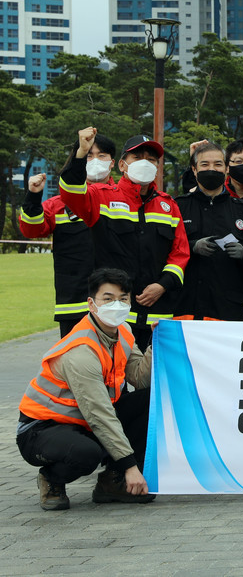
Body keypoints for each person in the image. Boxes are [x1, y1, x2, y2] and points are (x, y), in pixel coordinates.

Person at [17, 268, 154, 510]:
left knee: (152, 400)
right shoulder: (81, 351)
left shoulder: (122, 331)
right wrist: (131, 467)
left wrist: (156, 346)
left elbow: (139, 380)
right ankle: (51, 478)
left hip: (84, 421)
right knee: (85, 454)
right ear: (92, 304)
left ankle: (112, 482)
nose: (117, 305)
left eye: (123, 299)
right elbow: (99, 413)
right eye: (108, 299)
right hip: (42, 427)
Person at [58, 129, 189, 339]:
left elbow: (180, 253)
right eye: (137, 157)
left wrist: (163, 285)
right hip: (115, 315)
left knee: (151, 371)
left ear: (157, 167)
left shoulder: (168, 205)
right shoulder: (100, 197)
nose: (144, 163)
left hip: (158, 315)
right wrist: (81, 153)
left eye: (151, 159)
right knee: (113, 371)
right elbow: (71, 193)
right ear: (121, 165)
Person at [21, 136, 115, 336]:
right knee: (75, 363)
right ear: (79, 159)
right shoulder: (57, 204)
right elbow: (32, 230)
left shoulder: (124, 200)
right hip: (73, 304)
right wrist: (33, 197)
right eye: (89, 155)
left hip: (118, 303)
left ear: (113, 162)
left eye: (102, 155)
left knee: (118, 363)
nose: (95, 160)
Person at [175, 141, 243, 321]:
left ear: (227, 168)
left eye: (218, 164)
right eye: (205, 164)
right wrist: (191, 247)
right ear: (194, 169)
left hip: (228, 309)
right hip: (185, 306)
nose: (211, 169)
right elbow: (165, 248)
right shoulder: (178, 206)